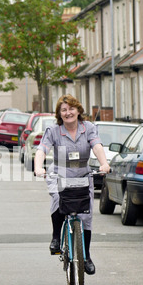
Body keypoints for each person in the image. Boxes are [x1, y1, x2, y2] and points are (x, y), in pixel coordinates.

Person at [34, 94, 110, 275]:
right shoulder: (53, 131)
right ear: (60, 114)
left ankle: (86, 257)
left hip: (83, 173)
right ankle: (55, 238)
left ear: (78, 110)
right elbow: (41, 149)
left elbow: (97, 145)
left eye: (71, 109)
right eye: (64, 110)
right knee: (58, 199)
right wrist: (38, 167)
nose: (68, 113)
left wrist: (104, 163)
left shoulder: (88, 127)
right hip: (60, 172)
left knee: (86, 216)